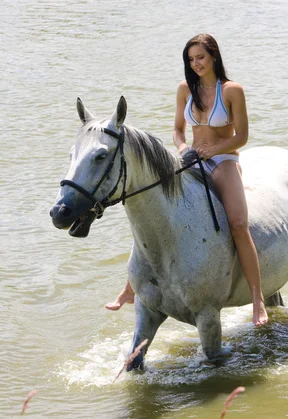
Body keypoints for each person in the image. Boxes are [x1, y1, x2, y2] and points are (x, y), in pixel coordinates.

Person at [105, 34, 268, 326]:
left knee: (239, 225)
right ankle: (131, 287)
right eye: (191, 60)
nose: (196, 64)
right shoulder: (185, 90)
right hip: (191, 160)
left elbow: (241, 137)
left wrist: (214, 150)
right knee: (155, 213)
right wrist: (184, 150)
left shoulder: (231, 91)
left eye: (201, 58)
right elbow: (178, 131)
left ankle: (258, 300)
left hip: (223, 162)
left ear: (214, 56)